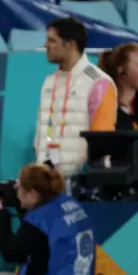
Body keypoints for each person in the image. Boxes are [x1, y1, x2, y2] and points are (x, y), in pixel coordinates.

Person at [35, 16, 117, 182]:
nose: (45, 45)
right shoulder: (49, 81)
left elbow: (102, 139)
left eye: (52, 40)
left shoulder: (99, 82)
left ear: (70, 45)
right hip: (46, 178)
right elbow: (42, 130)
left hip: (81, 181)